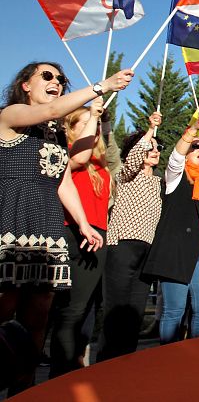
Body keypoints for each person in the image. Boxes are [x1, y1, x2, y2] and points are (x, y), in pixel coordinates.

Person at [0, 62, 131, 392]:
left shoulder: (55, 134)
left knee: (37, 320)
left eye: (60, 78)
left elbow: (65, 180)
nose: (56, 81)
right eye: (46, 76)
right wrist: (103, 85)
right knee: (3, 308)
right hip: (11, 223)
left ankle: (25, 390)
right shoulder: (10, 116)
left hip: (46, 228)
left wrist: (85, 224)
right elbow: (58, 108)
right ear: (25, 85)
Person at [142, 114, 199, 344]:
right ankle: (167, 359)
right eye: (195, 146)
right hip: (177, 252)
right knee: (174, 310)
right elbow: (176, 156)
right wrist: (192, 131)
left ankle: (196, 357)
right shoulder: (176, 176)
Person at [49, 101, 113, 377]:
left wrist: (102, 119)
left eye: (97, 126)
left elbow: (109, 144)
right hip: (71, 232)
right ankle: (58, 373)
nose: (95, 129)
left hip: (98, 235)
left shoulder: (103, 163)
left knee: (84, 309)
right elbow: (79, 157)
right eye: (86, 124)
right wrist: (93, 114)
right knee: (68, 311)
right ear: (70, 129)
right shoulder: (66, 155)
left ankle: (75, 365)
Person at [97, 112, 164, 361]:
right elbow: (135, 157)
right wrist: (150, 130)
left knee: (134, 311)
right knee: (115, 309)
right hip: (122, 246)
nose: (154, 151)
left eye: (157, 148)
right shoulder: (126, 175)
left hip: (147, 252)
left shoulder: (159, 182)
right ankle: (106, 363)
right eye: (150, 148)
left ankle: (127, 362)